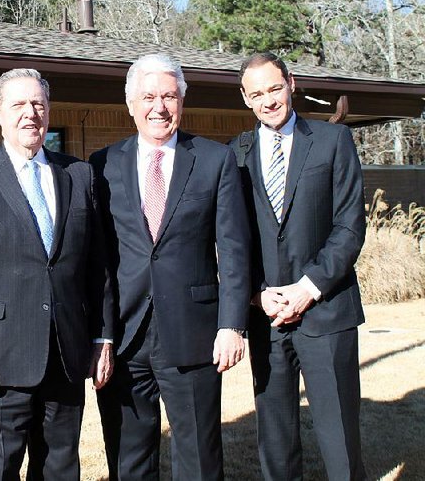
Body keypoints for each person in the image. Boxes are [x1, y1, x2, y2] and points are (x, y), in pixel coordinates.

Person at [0, 68, 114, 480]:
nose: (30, 113)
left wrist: (102, 336)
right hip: (0, 355)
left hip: (67, 351)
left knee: (60, 464)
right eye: (18, 104)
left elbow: (99, 266)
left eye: (38, 104)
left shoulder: (79, 174)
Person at [90, 53, 250, 480]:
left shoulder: (216, 160)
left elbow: (234, 250)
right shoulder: (101, 166)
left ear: (182, 100)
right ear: (130, 103)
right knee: (129, 458)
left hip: (195, 334)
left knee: (198, 456)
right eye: (148, 97)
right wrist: (100, 334)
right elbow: (98, 260)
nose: (159, 107)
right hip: (124, 338)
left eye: (169, 96)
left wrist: (231, 325)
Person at [231, 52, 367, 480]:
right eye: (257, 94)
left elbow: (349, 227)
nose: (268, 101)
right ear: (245, 98)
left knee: (339, 436)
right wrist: (255, 291)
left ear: (291, 83)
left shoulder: (332, 142)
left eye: (274, 88)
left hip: (326, 311)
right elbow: (231, 238)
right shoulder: (234, 153)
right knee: (275, 439)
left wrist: (307, 289)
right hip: (266, 315)